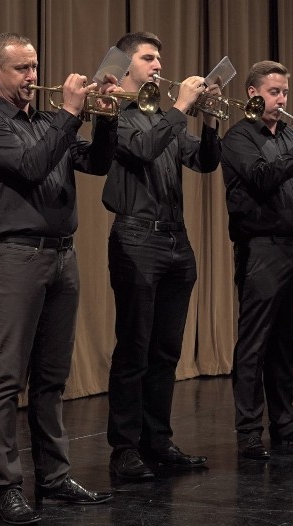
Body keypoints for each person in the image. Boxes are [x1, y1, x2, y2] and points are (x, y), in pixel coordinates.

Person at [0, 32, 119, 525]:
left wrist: (106, 116)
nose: (33, 77)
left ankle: (53, 477)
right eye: (22, 70)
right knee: (8, 379)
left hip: (62, 258)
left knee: (52, 378)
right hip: (17, 259)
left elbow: (94, 162)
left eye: (34, 68)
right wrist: (73, 114)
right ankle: (6, 487)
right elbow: (31, 168)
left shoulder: (50, 121)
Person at [102, 31, 222, 480]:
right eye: (148, 58)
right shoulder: (117, 113)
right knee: (134, 347)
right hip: (136, 238)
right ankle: (124, 449)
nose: (157, 65)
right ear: (125, 65)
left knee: (166, 351)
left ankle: (157, 440)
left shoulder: (164, 118)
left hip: (177, 242)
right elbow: (141, 149)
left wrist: (209, 121)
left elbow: (205, 162)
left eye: (159, 58)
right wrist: (181, 109)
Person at [220, 60, 293, 461]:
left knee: (284, 342)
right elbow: (263, 178)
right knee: (254, 343)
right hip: (260, 249)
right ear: (253, 93)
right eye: (274, 91)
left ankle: (285, 423)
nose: (282, 99)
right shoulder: (237, 138)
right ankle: (249, 429)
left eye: (285, 92)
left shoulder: (289, 136)